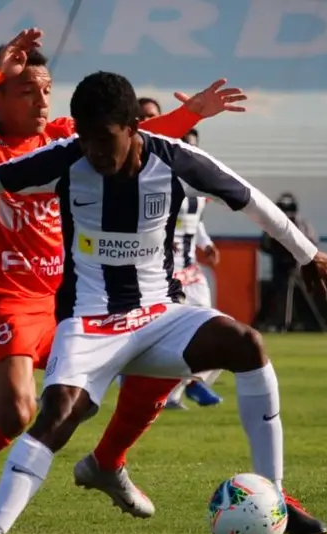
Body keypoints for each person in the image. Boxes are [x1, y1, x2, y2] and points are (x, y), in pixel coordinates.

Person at [0, 71, 327, 534]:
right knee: (54, 415)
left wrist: (308, 255)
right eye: (85, 138)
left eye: (104, 139)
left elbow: (252, 199)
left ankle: (276, 491)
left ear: (132, 129)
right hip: (89, 322)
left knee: (246, 345)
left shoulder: (177, 160)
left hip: (158, 315)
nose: (94, 151)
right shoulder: (68, 159)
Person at [138, 101, 222, 409]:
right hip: (160, 271)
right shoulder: (149, 174)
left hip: (191, 270)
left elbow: (194, 221)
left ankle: (191, 384)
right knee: (166, 336)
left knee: (215, 327)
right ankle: (171, 392)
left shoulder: (199, 182)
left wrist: (206, 242)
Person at [259, 192, 321, 331]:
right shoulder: (273, 224)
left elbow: (312, 241)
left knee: (302, 297)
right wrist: (278, 252)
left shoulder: (301, 223)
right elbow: (264, 245)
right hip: (279, 266)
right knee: (276, 294)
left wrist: (300, 253)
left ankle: (312, 325)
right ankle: (276, 323)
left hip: (296, 266)